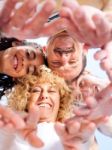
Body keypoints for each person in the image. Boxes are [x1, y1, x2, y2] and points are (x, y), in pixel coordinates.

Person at [0, 65, 95, 150]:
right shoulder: (9, 132)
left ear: (61, 101)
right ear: (26, 99)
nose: (44, 95)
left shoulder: (72, 133)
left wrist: (85, 141)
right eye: (36, 90)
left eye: (51, 91)